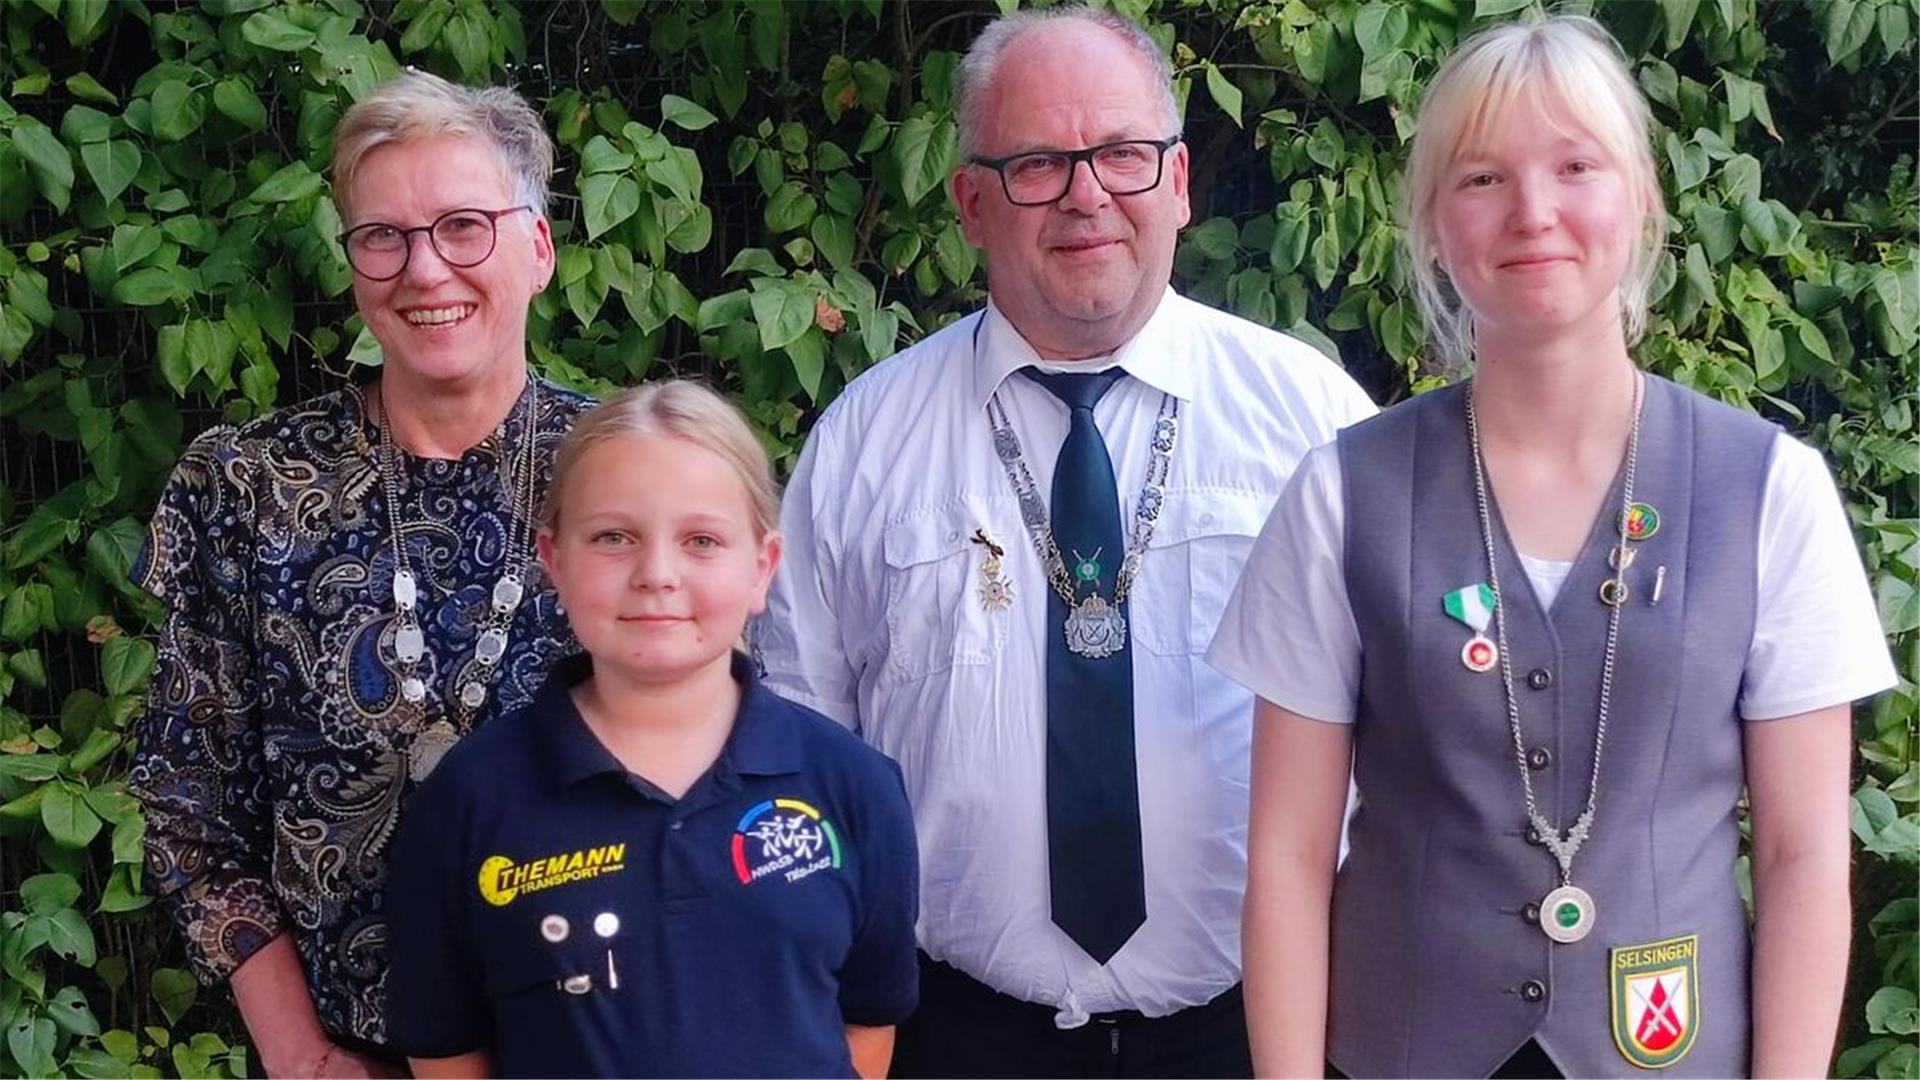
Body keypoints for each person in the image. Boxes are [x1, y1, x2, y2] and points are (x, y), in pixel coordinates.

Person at [1210, 15, 1898, 1078]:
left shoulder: (1772, 492)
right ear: (1434, 222)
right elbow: (1290, 861)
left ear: (1641, 200)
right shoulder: (1340, 495)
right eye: (1482, 177)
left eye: (1576, 166)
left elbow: (1806, 858)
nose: (1533, 212)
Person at [756, 7, 1375, 1076]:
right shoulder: (866, 436)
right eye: (1039, 162)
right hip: (949, 1036)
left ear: (1179, 181)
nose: (1089, 193)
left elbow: (1405, 737)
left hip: (1256, 1034)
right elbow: (796, 748)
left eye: (1124, 155)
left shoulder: (1310, 420)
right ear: (970, 202)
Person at [128, 71, 594, 1076]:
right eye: (384, 235)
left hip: (598, 1048)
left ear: (539, 247)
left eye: (464, 225)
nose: (425, 271)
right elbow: (186, 801)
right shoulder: (246, 487)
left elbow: (721, 768)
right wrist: (305, 1059)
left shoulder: (629, 475)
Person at [381, 382, 920, 1079]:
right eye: (613, 537)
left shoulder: (856, 788)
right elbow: (446, 1049)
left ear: (762, 568)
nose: (656, 574)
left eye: (701, 540)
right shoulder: (468, 801)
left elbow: (868, 1029)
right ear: (555, 562)